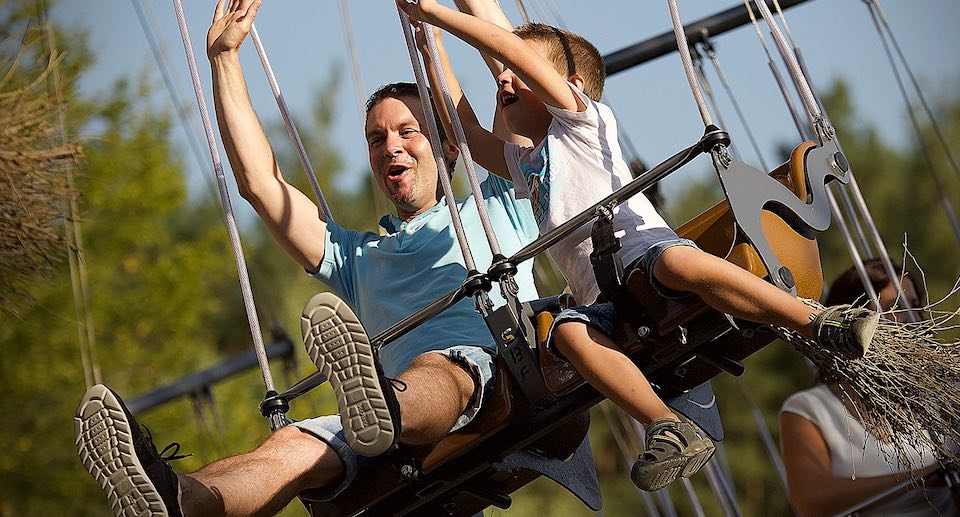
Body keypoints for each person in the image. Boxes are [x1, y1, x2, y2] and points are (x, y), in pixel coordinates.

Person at [73, 0, 542, 515]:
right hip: (381, 419)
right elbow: (261, 186)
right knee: (293, 446)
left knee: (444, 365)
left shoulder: (504, 196)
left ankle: (385, 404)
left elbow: (515, 69)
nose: (390, 146)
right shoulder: (357, 258)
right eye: (375, 138)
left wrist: (431, 12)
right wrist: (224, 61)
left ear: (450, 144)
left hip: (492, 373)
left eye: (409, 132)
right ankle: (179, 499)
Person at [398, 0, 883, 492]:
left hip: (640, 251)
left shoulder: (583, 124)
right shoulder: (528, 166)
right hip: (598, 297)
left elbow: (504, 49)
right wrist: (433, 48)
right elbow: (468, 132)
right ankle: (666, 426)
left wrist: (436, 14)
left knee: (676, 261)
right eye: (500, 78)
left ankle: (817, 322)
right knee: (567, 334)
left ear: (570, 88)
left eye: (516, 74)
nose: (502, 81)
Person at [781, 259, 957, 516]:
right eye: (895, 307)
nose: (912, 320)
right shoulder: (809, 410)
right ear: (854, 322)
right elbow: (813, 503)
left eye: (915, 306)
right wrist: (924, 477)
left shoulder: (945, 394)